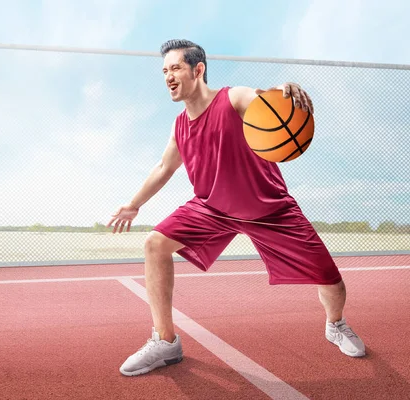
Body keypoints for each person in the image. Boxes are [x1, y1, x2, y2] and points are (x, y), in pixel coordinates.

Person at [107, 39, 366, 377]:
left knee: (332, 282)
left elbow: (264, 99)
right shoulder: (180, 125)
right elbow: (163, 168)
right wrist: (132, 205)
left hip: (271, 210)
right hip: (213, 208)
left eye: (175, 68)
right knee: (155, 244)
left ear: (197, 70)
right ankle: (165, 342)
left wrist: (283, 90)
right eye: (165, 71)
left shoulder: (232, 97)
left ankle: (336, 325)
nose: (168, 76)